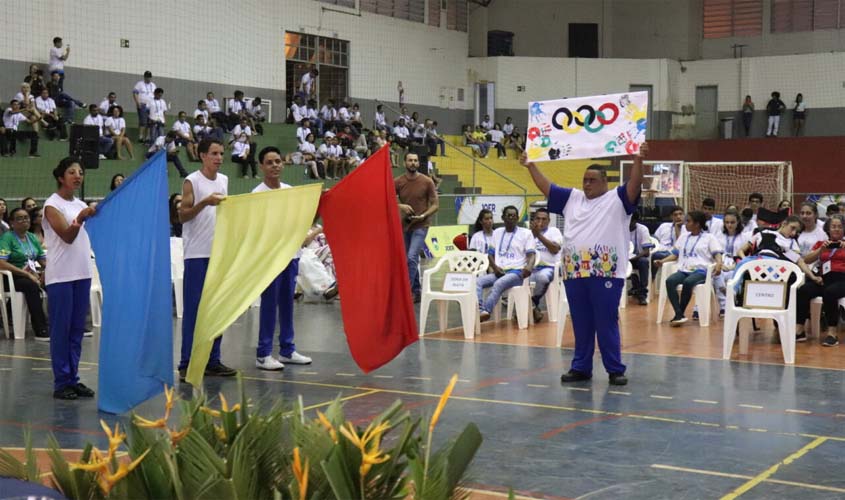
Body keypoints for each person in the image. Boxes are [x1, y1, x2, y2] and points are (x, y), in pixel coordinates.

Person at [521, 143, 647, 386]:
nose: (587, 184)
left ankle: (614, 369)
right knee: (581, 321)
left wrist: (638, 159)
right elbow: (547, 187)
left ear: (605, 182)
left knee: (606, 320)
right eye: (585, 180)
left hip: (606, 272)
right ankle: (581, 367)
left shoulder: (618, 198)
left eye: (592, 180)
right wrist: (530, 166)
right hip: (574, 271)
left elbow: (635, 183)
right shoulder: (572, 198)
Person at [177, 139, 237, 382]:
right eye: (214, 153)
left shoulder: (224, 180)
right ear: (202, 155)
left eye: (221, 153)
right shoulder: (192, 181)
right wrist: (204, 202)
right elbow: (182, 215)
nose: (219, 158)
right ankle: (186, 363)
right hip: (196, 254)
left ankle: (213, 360)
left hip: (217, 253)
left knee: (217, 308)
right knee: (194, 311)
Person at [253, 147, 313, 370]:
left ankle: (287, 349)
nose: (275, 165)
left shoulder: (289, 191)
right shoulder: (257, 195)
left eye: (278, 161)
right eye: (269, 162)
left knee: (287, 303)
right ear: (261, 166)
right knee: (270, 305)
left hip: (291, 256)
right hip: (270, 258)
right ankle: (263, 354)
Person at [42, 158, 96, 399]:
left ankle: (73, 378)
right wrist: (81, 218)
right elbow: (66, 235)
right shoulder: (52, 205)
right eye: (72, 172)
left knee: (76, 330)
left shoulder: (80, 203)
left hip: (82, 273)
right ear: (60, 177)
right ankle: (61, 382)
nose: (77, 176)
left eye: (80, 172)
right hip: (61, 276)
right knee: (61, 330)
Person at [656, 211, 724, 326]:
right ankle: (679, 314)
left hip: (701, 271)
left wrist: (719, 264)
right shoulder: (683, 237)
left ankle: (679, 314)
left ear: (697, 224)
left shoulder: (709, 238)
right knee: (670, 281)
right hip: (684, 269)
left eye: (688, 221)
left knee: (688, 282)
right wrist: (662, 261)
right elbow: (675, 254)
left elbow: (717, 254)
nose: (685, 223)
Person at [476, 205, 535, 321]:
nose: (511, 218)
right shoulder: (497, 232)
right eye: (508, 215)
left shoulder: (526, 233)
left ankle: (486, 311)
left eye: (514, 216)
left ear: (517, 218)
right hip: (500, 272)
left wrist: (529, 267)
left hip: (516, 273)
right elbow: (490, 254)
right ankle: (479, 309)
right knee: (477, 281)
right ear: (503, 218)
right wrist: (495, 268)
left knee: (499, 283)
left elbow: (531, 255)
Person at [0, 207, 48, 341]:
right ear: (12, 223)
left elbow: (42, 259)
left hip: (31, 275)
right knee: (31, 286)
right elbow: (1, 263)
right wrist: (27, 275)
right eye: (19, 218)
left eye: (26, 217)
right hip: (10, 278)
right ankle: (41, 328)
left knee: (54, 282)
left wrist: (48, 271)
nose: (24, 220)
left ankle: (62, 323)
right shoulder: (7, 238)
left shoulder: (31, 237)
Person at [396, 152, 439, 302]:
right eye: (410, 160)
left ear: (419, 163)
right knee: (408, 259)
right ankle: (416, 291)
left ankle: (405, 292)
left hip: (421, 225)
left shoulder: (427, 181)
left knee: (411, 257)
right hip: (405, 226)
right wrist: (400, 206)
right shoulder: (398, 182)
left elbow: (435, 204)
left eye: (415, 160)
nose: (413, 163)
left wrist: (424, 215)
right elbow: (386, 198)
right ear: (404, 163)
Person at [798, 215, 845, 346]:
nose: (836, 229)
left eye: (840, 227)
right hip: (824, 278)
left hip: (842, 279)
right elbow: (806, 260)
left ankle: (832, 333)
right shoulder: (821, 243)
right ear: (828, 229)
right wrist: (821, 250)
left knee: (830, 292)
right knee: (803, 290)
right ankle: (799, 329)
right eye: (833, 226)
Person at [712, 211, 749, 317]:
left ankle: (732, 300)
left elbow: (746, 256)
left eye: (732, 222)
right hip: (722, 263)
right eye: (727, 222)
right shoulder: (718, 236)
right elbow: (715, 254)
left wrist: (734, 266)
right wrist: (720, 264)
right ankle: (724, 306)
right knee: (716, 274)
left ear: (738, 222)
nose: (729, 225)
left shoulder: (744, 237)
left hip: (737, 265)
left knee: (735, 277)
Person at [530, 208, 563, 322]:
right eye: (538, 219)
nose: (540, 221)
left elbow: (554, 249)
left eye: (544, 219)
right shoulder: (528, 234)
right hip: (532, 268)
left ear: (549, 221)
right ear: (533, 220)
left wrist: (538, 235)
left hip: (550, 267)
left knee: (542, 278)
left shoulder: (554, 231)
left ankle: (531, 305)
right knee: (520, 280)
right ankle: (533, 308)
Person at [651, 205, 687, 278]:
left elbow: (679, 244)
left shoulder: (686, 228)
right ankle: (652, 278)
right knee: (651, 255)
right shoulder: (664, 226)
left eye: (680, 214)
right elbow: (655, 239)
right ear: (671, 217)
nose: (678, 217)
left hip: (673, 253)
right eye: (675, 215)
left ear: (684, 215)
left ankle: (653, 278)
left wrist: (677, 228)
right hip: (661, 250)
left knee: (656, 256)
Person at [629, 211, 653, 306]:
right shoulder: (619, 228)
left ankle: (642, 294)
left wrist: (634, 258)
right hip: (623, 258)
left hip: (637, 258)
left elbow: (646, 252)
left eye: (630, 221)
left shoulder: (643, 229)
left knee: (644, 262)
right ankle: (634, 285)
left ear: (635, 221)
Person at [132, 71, 156, 144]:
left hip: (151, 106)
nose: (148, 78)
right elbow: (135, 93)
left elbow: (155, 95)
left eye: (149, 77)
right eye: (147, 77)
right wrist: (137, 102)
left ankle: (147, 137)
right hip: (143, 105)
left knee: (149, 122)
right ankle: (141, 136)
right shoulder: (139, 84)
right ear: (144, 77)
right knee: (143, 121)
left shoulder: (153, 85)